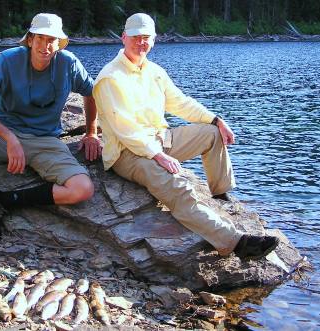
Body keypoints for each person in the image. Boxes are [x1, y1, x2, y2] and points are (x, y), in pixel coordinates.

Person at [93, 13, 279, 259]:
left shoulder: (154, 71)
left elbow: (180, 103)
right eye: (136, 37)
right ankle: (235, 243)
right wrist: (157, 155)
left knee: (212, 134)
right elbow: (125, 129)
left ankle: (220, 194)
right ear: (124, 37)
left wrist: (216, 119)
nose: (141, 43)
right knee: (177, 186)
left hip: (160, 138)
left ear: (154, 40)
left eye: (146, 37)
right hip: (128, 153)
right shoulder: (110, 77)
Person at [0, 13, 101, 254]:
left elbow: (91, 92)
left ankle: (3, 201)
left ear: (59, 43)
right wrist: (10, 137)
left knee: (82, 189)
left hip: (45, 140)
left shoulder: (68, 64)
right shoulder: (8, 60)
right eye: (39, 38)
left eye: (52, 40)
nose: (45, 46)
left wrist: (91, 132)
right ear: (29, 39)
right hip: (1, 136)